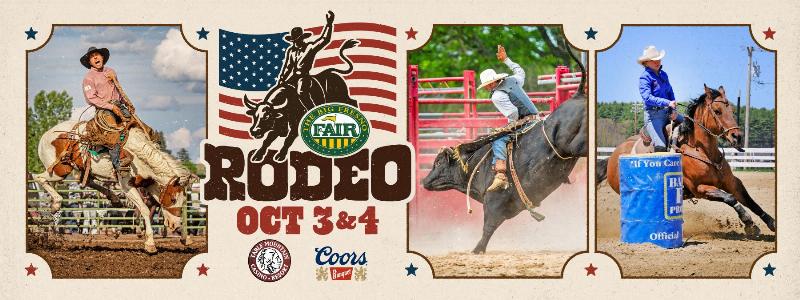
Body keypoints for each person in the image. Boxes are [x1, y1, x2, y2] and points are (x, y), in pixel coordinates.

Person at [479, 45, 539, 192]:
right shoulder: (513, 80)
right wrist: (506, 60)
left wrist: (508, 128)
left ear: (491, 84)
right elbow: (520, 71)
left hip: (524, 122)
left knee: (498, 138)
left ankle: (500, 175)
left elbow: (513, 113)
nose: (486, 88)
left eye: (486, 85)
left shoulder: (497, 96)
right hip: (536, 118)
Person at [80, 46, 133, 176]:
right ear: (89, 62)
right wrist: (110, 107)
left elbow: (118, 89)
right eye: (92, 57)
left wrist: (126, 102)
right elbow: (91, 98)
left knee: (136, 125)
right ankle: (118, 164)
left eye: (97, 55)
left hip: (119, 105)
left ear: (102, 57)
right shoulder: (88, 78)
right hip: (104, 109)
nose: (95, 57)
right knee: (112, 133)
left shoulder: (111, 71)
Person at [278, 10, 335, 111]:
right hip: (293, 77)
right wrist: (282, 79)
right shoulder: (291, 51)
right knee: (280, 91)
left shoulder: (310, 48)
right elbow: (288, 67)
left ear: (302, 38)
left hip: (304, 77)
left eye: (298, 40)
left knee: (301, 92)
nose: (296, 42)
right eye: (294, 41)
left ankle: (312, 111)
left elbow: (324, 39)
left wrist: (329, 24)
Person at [637, 45, 684, 152]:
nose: (657, 62)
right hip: (653, 117)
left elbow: (670, 92)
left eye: (658, 59)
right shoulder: (644, 77)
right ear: (646, 63)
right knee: (661, 146)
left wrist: (673, 110)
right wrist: (667, 103)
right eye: (653, 60)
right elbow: (647, 98)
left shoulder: (664, 75)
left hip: (668, 113)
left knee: (691, 125)